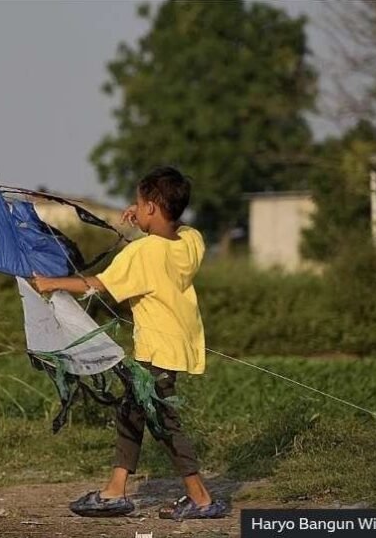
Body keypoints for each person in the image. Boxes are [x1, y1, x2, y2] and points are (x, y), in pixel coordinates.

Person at [32, 166, 229, 520]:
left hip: (156, 352)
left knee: (163, 422)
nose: (134, 209)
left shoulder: (143, 253)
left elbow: (98, 284)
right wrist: (146, 217)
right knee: (132, 412)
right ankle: (115, 490)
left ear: (151, 206)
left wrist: (51, 284)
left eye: (139, 204)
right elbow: (179, 227)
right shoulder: (191, 242)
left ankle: (200, 498)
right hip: (174, 347)